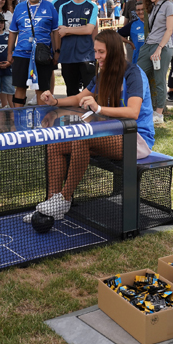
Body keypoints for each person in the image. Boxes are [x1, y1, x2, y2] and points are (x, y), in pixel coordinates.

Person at [27, 29, 154, 222]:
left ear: (113, 51)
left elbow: (132, 112)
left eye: (101, 52)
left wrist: (99, 107)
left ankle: (64, 199)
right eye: (95, 51)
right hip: (110, 135)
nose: (96, 56)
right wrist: (55, 102)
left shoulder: (134, 73)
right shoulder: (103, 74)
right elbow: (79, 97)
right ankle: (52, 202)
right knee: (55, 142)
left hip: (136, 139)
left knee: (82, 139)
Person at [8, 0, 58, 106]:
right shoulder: (19, 7)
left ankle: (42, 122)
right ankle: (18, 122)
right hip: (21, 53)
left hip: (42, 54)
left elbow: (55, 31)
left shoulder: (49, 6)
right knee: (20, 87)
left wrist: (57, 52)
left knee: (41, 89)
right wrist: (9, 53)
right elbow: (13, 32)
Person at [137, 0, 173, 125]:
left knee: (159, 81)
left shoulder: (168, 5)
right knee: (137, 74)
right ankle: (139, 107)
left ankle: (159, 114)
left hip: (162, 47)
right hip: (148, 45)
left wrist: (159, 48)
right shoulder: (152, 7)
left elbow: (169, 30)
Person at [56, 0, 97, 96]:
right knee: (72, 93)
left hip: (87, 55)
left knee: (89, 94)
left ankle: (90, 116)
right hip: (68, 56)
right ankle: (73, 116)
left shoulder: (92, 6)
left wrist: (68, 29)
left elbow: (89, 30)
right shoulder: (63, 7)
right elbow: (60, 32)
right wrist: (80, 29)